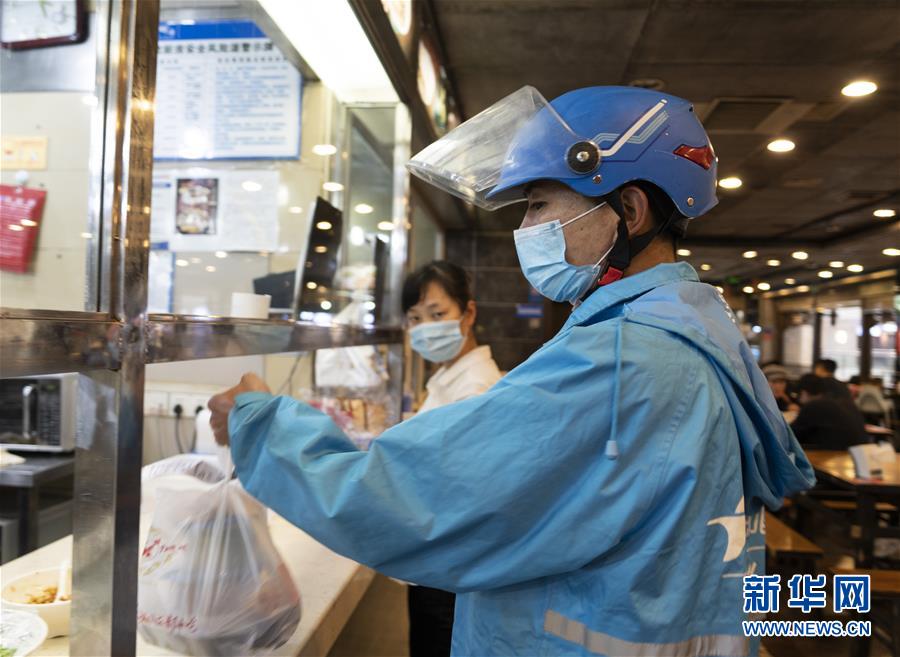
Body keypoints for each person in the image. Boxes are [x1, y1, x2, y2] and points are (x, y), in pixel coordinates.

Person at [209, 85, 814, 656]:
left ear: (628, 209)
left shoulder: (622, 362)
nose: (525, 229)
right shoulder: (694, 340)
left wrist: (259, 424)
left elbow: (413, 503)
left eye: (538, 204)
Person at [402, 260, 502, 657]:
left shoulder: (475, 387)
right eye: (415, 318)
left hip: (448, 567)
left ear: (469, 313)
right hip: (435, 560)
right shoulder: (449, 377)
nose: (425, 327)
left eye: (437, 314)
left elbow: (463, 487)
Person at [791, 374, 869, 450]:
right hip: (858, 453)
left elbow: (791, 434)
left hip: (837, 454)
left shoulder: (815, 405)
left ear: (804, 392)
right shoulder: (845, 404)